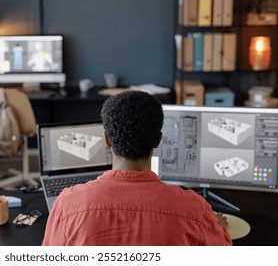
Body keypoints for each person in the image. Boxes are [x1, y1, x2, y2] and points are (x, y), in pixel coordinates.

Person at [42, 91, 232, 246]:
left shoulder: (67, 205)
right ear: (158, 140)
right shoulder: (195, 210)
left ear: (107, 140)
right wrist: (219, 229)